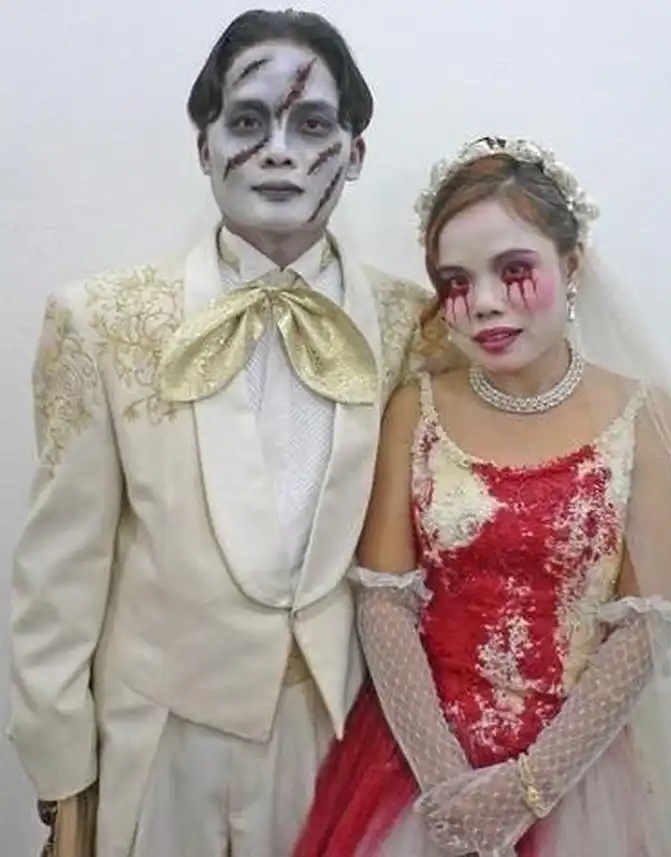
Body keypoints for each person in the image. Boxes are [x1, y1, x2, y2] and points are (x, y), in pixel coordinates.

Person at [7, 9, 455, 857]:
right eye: (248, 121)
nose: (278, 150)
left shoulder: (414, 324)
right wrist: (63, 778)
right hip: (162, 743)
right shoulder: (101, 320)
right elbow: (58, 574)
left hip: (345, 739)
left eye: (311, 124)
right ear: (203, 146)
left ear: (355, 152)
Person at [292, 135, 671, 856]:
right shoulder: (414, 409)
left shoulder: (644, 418)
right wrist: (450, 790)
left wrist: (526, 789)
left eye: (514, 271)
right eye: (455, 281)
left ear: (572, 265)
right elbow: (383, 603)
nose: (484, 303)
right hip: (416, 764)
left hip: (581, 774)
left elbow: (643, 629)